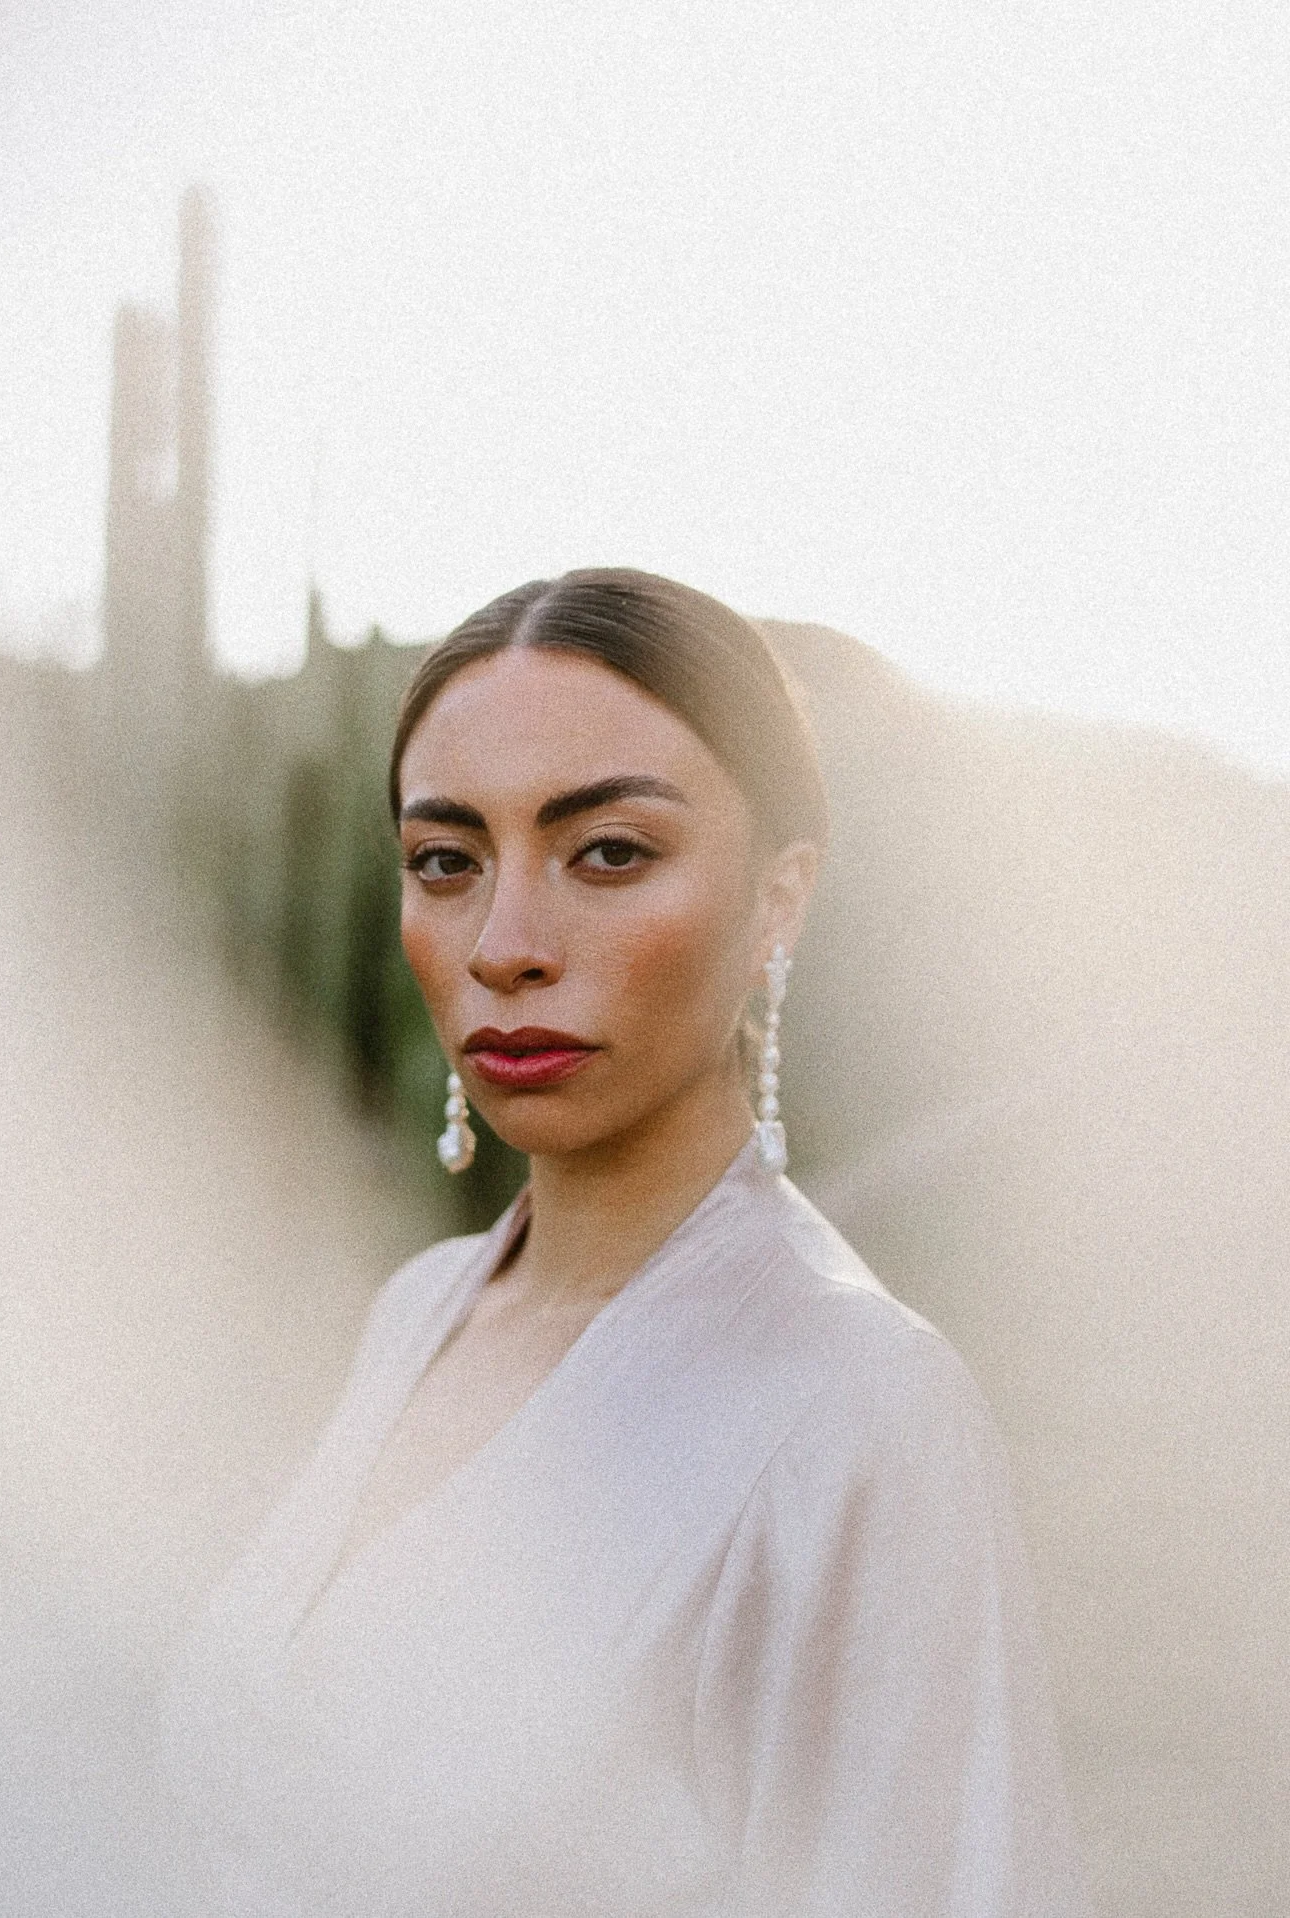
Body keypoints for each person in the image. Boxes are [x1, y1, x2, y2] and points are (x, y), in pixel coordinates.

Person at [160, 569, 1090, 1916]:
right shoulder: (418, 1310)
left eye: (608, 852)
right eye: (447, 860)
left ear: (778, 902)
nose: (507, 943)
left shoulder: (865, 1413)